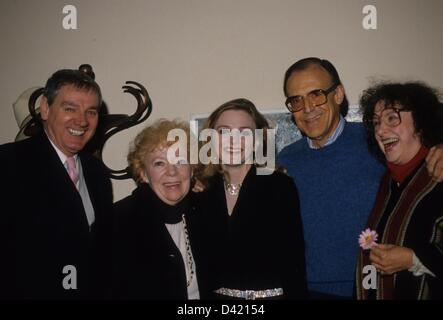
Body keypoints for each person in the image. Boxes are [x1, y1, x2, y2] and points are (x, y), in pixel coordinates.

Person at [277, 57, 443, 299]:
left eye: (316, 94)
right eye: (296, 100)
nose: (308, 108)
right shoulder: (286, 159)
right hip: (304, 290)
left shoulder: (376, 141)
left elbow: (419, 142)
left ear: (338, 94)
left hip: (368, 288)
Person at [0, 69, 113, 299]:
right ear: (45, 108)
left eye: (91, 111)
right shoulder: (8, 163)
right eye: (70, 108)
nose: (82, 120)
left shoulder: (97, 173)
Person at [195, 98, 307, 300]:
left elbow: (294, 263)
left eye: (244, 132)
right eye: (224, 131)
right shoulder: (202, 192)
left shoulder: (279, 186)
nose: (233, 140)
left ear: (257, 140)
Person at [356, 82, 443, 299]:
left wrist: (414, 259)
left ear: (421, 124)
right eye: (376, 123)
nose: (380, 130)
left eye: (392, 118)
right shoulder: (387, 181)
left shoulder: (439, 173)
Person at [112, 119, 210, 300]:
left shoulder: (206, 214)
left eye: (180, 161)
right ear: (142, 173)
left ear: (192, 169)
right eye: (159, 163)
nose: (172, 172)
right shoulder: (116, 222)